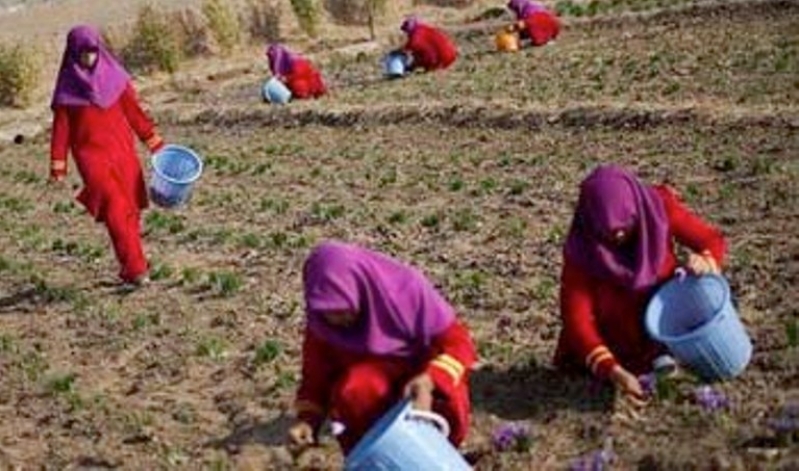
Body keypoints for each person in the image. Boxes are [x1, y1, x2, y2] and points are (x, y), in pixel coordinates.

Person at [554, 165, 726, 404]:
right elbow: (577, 320)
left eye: (626, 227)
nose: (619, 237)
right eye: (610, 233)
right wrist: (613, 370)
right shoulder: (581, 251)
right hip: (615, 338)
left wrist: (706, 261)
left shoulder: (659, 207)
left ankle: (664, 353)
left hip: (667, 318)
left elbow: (710, 239)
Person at [288, 241, 477, 454]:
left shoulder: (406, 290)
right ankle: (377, 457)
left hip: (421, 376)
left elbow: (460, 344)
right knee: (354, 390)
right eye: (329, 312)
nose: (338, 319)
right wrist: (307, 421)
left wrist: (432, 379)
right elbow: (316, 378)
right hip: (375, 389)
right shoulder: (323, 325)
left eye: (344, 308)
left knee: (447, 396)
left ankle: (445, 452)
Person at [50, 25, 165, 287]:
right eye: (82, 53)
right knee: (115, 209)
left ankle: (130, 264)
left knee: (131, 211)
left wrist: (155, 143)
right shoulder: (67, 92)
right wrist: (58, 166)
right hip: (93, 160)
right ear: (72, 54)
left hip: (123, 154)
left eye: (92, 52)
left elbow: (135, 114)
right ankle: (137, 269)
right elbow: (61, 132)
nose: (89, 58)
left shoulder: (116, 79)